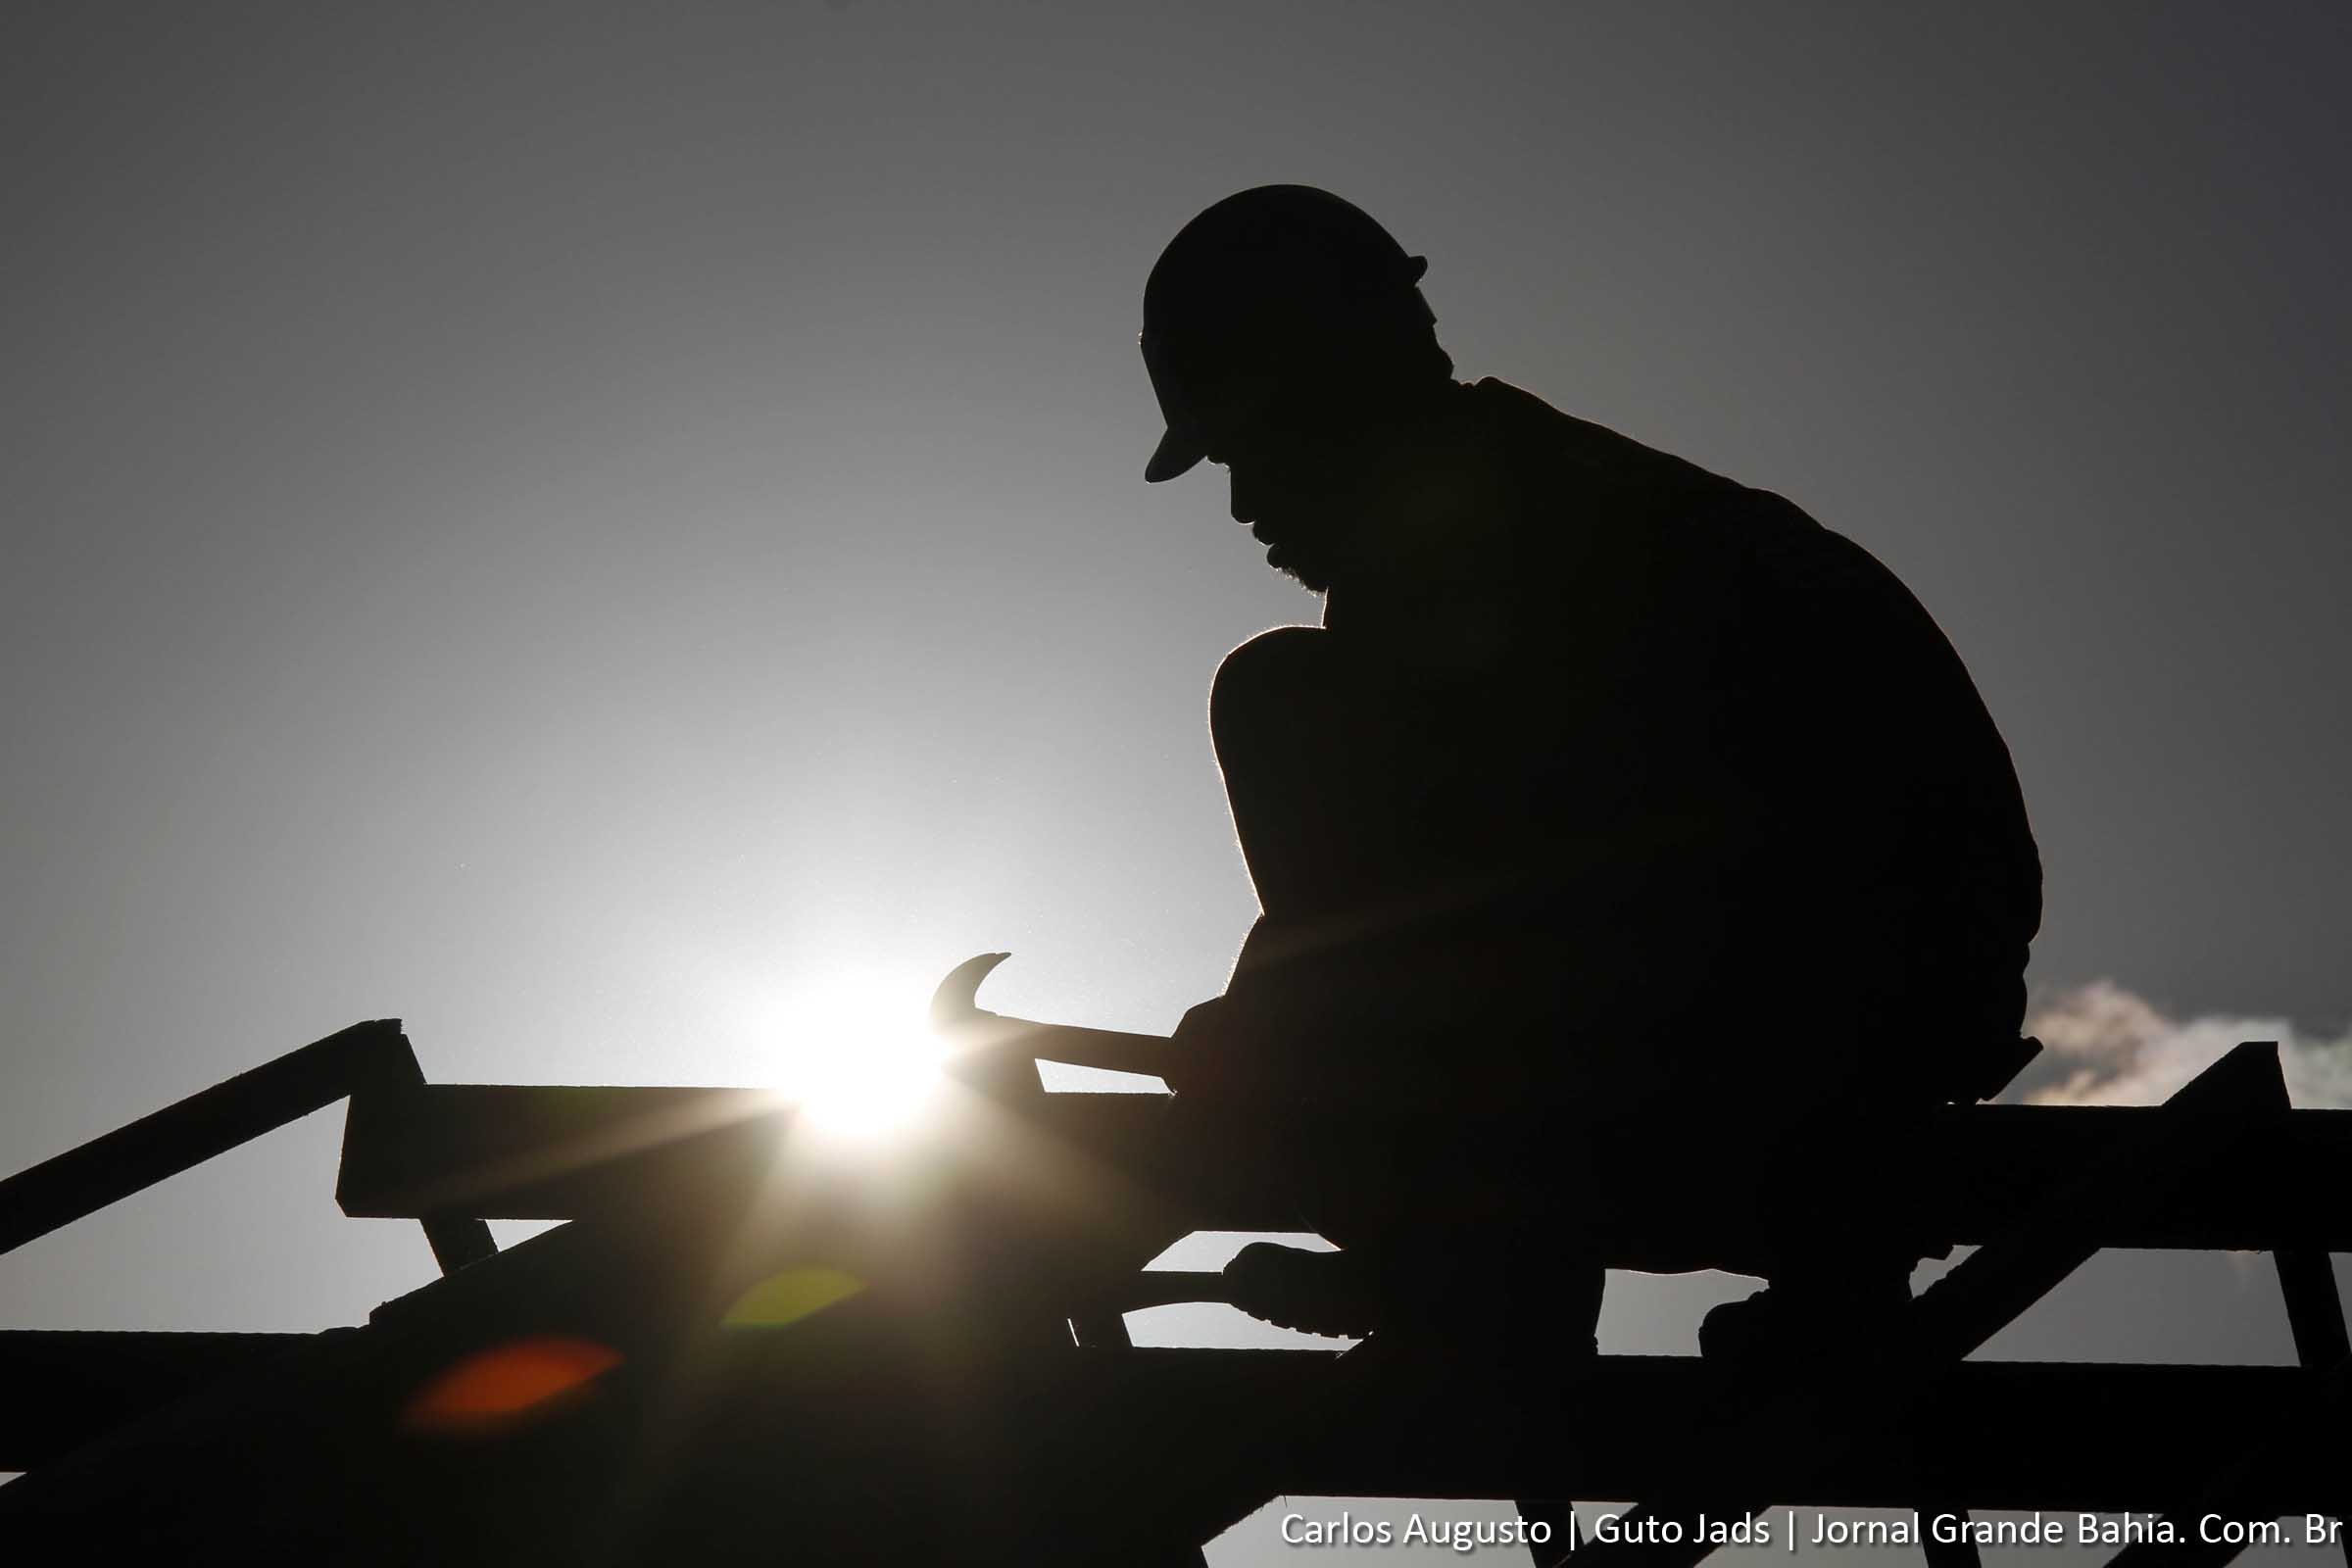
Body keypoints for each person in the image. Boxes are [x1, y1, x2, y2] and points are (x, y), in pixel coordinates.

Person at [1139, 186, 2043, 1353]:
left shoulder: (1506, 544)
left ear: (1331, 382)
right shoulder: (1548, 501)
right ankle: (1501, 1262)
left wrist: (1271, 1032)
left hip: (1806, 1035)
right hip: (1854, 1016)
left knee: (1275, 697)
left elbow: (1483, 893)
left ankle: (1470, 1268)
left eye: (1246, 447)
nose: (1243, 501)